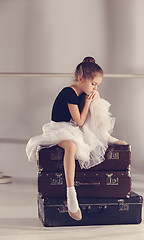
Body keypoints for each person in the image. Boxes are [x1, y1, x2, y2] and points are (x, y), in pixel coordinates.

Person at [26, 56, 127, 221]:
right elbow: (80, 122)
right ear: (81, 79)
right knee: (71, 146)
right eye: (93, 84)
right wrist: (87, 103)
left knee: (96, 100)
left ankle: (105, 135)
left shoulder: (85, 92)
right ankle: (71, 194)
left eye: (97, 84)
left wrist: (94, 96)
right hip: (58, 129)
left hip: (72, 129)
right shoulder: (69, 93)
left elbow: (83, 120)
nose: (95, 87)